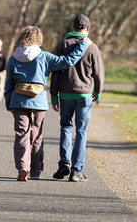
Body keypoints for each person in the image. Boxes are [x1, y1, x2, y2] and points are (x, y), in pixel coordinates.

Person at [4, 26, 92, 181]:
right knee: (36, 136)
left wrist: (8, 103)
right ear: (38, 39)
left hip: (18, 101)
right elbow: (67, 61)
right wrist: (83, 45)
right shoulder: (44, 56)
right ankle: (36, 171)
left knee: (21, 135)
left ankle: (23, 168)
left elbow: (8, 84)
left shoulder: (13, 57)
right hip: (38, 102)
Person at [50, 14, 105, 182]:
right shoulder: (92, 47)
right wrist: (97, 92)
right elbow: (99, 73)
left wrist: (53, 96)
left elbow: (55, 72)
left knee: (66, 128)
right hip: (84, 95)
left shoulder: (62, 45)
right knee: (81, 131)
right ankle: (76, 170)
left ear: (73, 27)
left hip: (65, 95)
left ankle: (63, 165)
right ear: (87, 29)